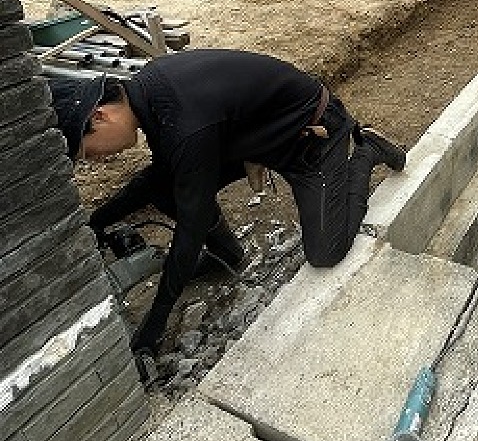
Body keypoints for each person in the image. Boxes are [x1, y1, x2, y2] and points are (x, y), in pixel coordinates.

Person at [49, 49, 407, 369]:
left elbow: (192, 223)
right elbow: (157, 180)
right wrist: (97, 221)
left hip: (309, 138)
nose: (97, 160)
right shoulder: (150, 94)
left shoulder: (183, 120)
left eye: (87, 151)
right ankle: (228, 255)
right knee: (167, 189)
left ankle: (365, 152)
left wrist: (154, 324)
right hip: (258, 138)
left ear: (99, 117)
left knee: (325, 252)